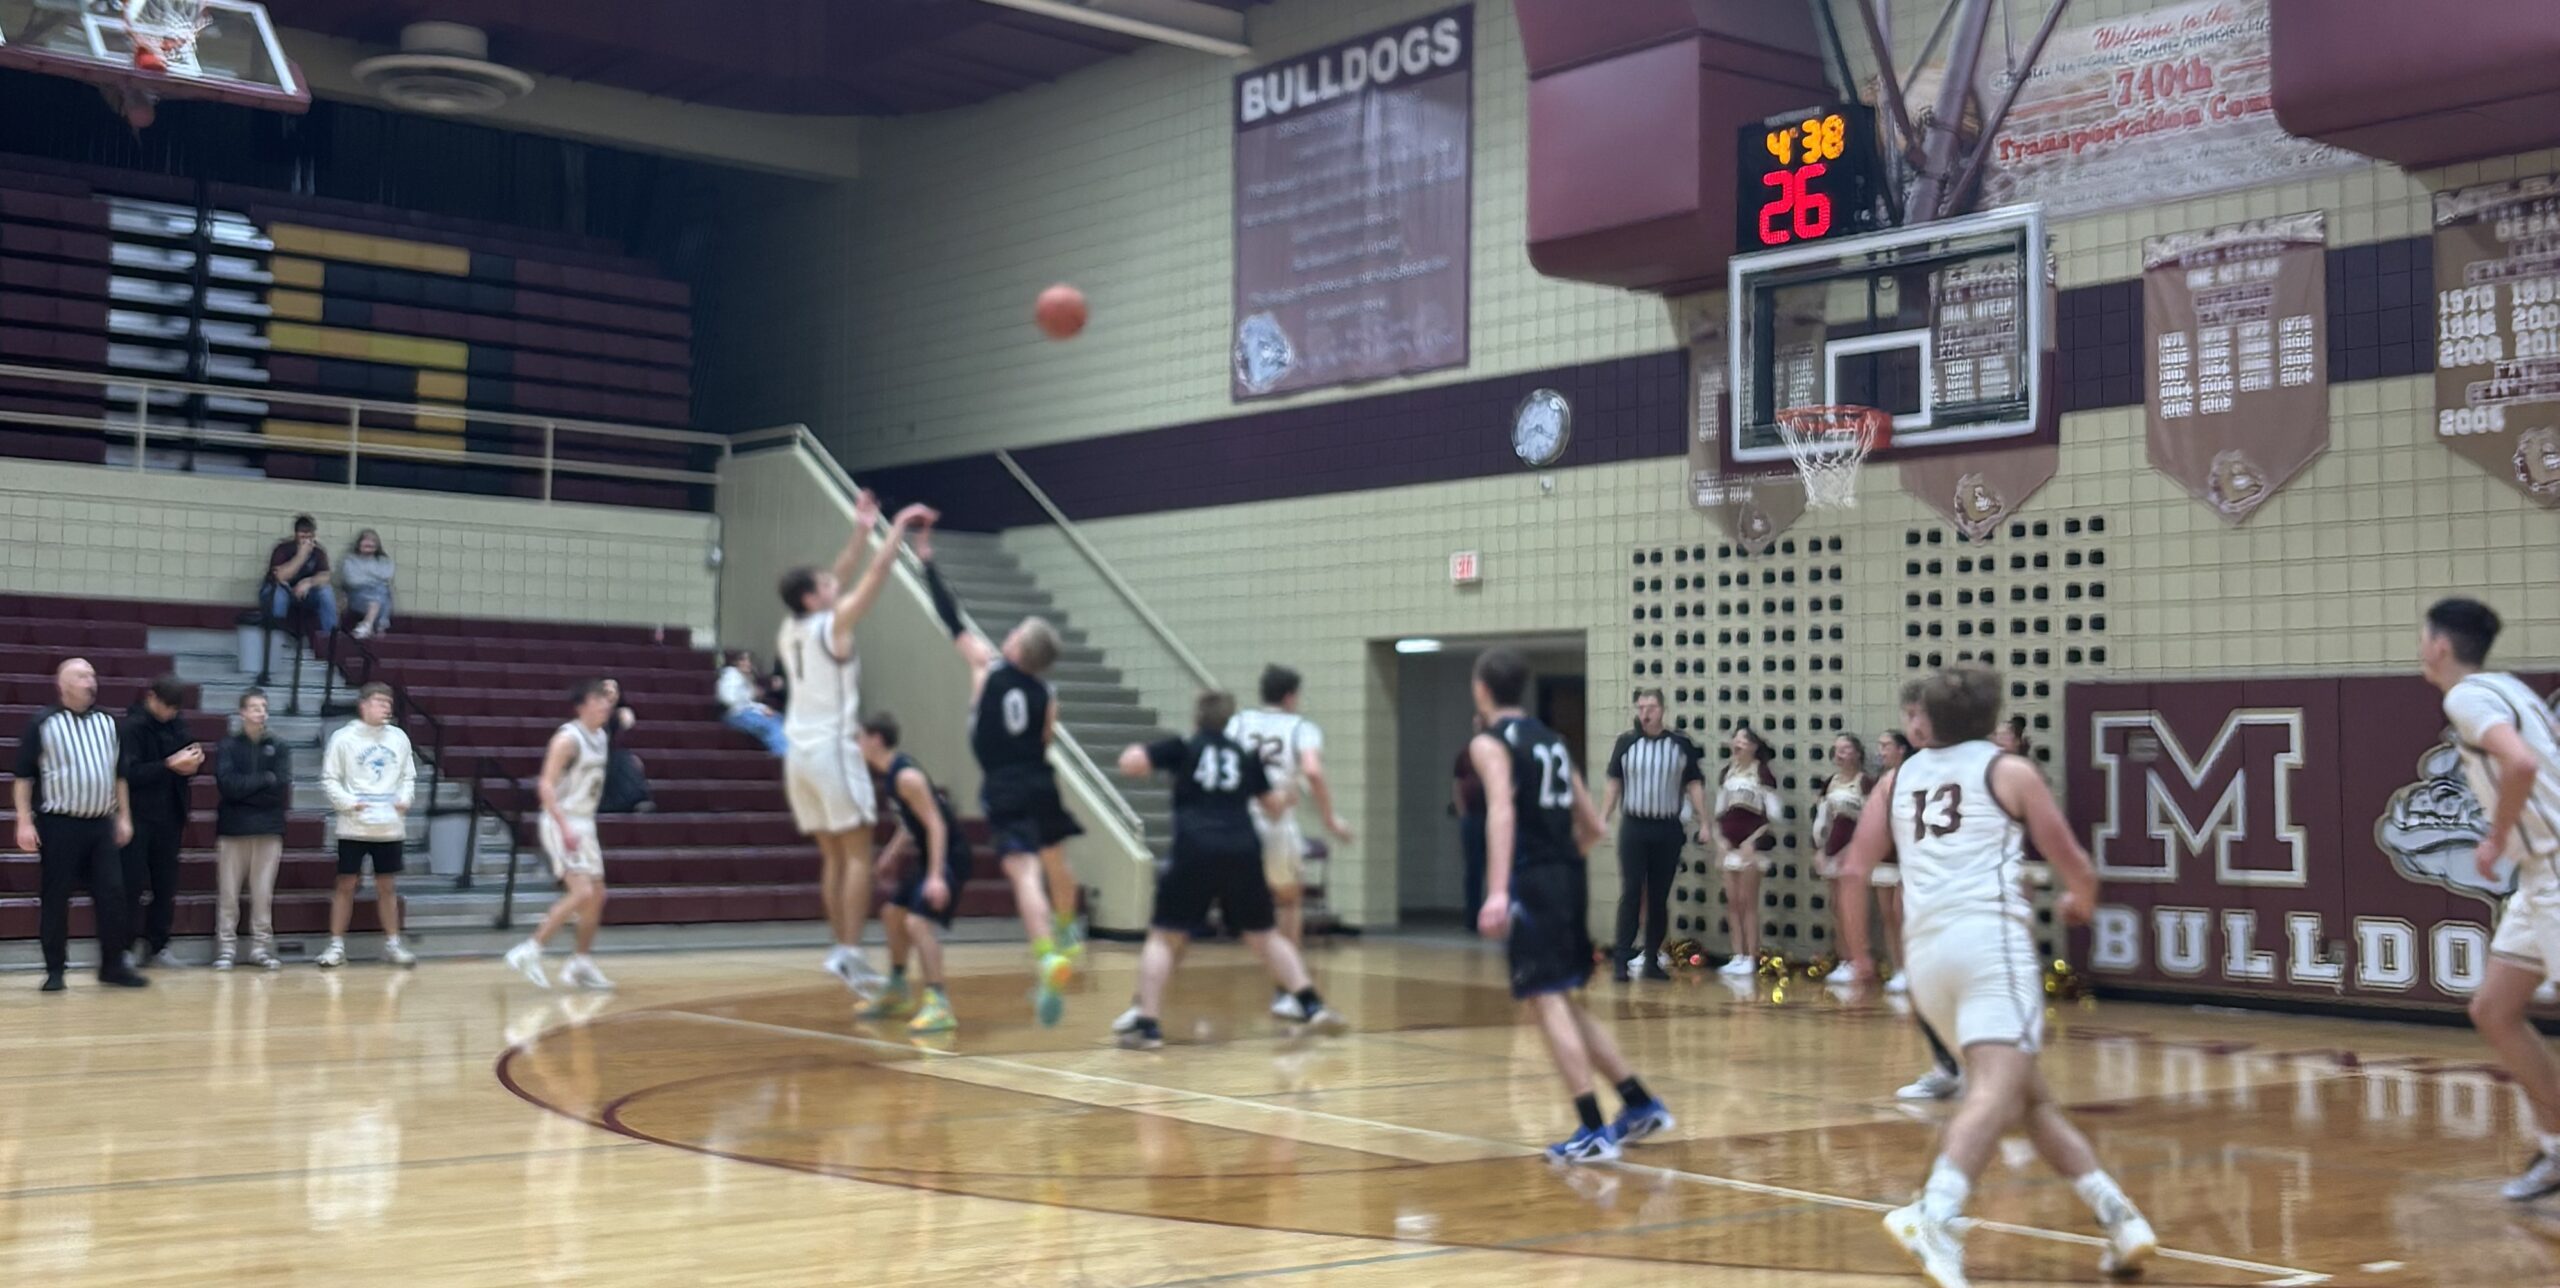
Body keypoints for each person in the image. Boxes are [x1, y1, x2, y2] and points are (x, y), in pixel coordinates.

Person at [1836, 663, 2155, 1284]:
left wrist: (1861, 958)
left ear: (1926, 718)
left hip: (1926, 960)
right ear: (1992, 716)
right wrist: (2081, 902)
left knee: (2028, 1099)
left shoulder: (1895, 780)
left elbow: (1853, 871)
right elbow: (2075, 863)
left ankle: (2120, 1220)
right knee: (1992, 1092)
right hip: (1989, 947)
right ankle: (1934, 1213)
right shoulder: (2009, 771)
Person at [1470, 647, 1673, 1163]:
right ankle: (1638, 1102)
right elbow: (1595, 826)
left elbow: (1501, 812)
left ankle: (1592, 1129)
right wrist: (1561, 863)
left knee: (1545, 999)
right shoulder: (1553, 741)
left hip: (1532, 880)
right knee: (1561, 999)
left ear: (1482, 689)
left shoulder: (1490, 743)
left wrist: (1500, 889)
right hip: (1567, 876)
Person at [2419, 597, 2560, 1201]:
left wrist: (2496, 837)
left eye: (2422, 637)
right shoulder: (2511, 688)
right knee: (2494, 1009)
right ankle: (2557, 1147)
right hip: (2539, 876)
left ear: (2439, 645)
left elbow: (2520, 763)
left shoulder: (2467, 697)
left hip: (2553, 867)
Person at [917, 521, 1082, 1026]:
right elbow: (1045, 740)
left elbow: (951, 618)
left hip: (1004, 783)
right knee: (1056, 861)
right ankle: (1068, 931)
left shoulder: (985, 666)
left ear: (1016, 649)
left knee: (1023, 873)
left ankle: (1046, 953)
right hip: (1041, 780)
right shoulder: (1047, 694)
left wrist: (927, 561)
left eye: (1013, 634)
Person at [1115, 689, 1345, 1050]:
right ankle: (1311, 1004)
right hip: (1242, 849)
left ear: (1197, 717)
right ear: (1228, 720)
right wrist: (1289, 795)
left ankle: (1147, 1024)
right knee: (1265, 935)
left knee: (1164, 935)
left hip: (1195, 847)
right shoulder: (1244, 755)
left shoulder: (1183, 747)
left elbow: (1131, 762)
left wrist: (1138, 757)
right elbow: (1272, 808)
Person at [776, 492, 929, 995]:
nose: (834, 584)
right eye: (825, 586)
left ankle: (839, 950)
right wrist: (895, 529)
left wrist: (862, 529)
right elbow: (873, 578)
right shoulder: (834, 625)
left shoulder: (791, 628)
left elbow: (839, 576)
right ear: (812, 598)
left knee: (834, 857)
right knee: (859, 853)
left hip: (798, 755)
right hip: (832, 749)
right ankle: (852, 952)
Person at [13, 659, 144, 991]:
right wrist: (24, 822)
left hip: (101, 824)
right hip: (59, 824)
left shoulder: (108, 723)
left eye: (93, 676)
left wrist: (124, 816)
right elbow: (23, 777)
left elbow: (120, 775)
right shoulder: (43, 723)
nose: (91, 682)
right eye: (83, 676)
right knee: (56, 897)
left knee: (113, 895)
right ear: (63, 684)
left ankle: (112, 966)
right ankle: (55, 969)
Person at [1226, 666, 1353, 980]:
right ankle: (1289, 980)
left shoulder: (1239, 722)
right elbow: (1313, 771)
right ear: (1290, 696)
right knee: (1288, 899)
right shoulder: (1301, 727)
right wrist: (1329, 818)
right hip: (1275, 823)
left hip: (1237, 822)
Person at [854, 713, 969, 1035]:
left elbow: (936, 825)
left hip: (951, 856)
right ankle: (897, 987)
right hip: (932, 855)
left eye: (859, 738)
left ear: (876, 740)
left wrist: (935, 876)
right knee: (892, 913)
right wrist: (890, 855)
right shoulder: (893, 775)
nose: (855, 745)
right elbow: (911, 824)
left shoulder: (906, 777)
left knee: (917, 923)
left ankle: (939, 1004)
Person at [505, 680, 618, 991]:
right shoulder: (567, 739)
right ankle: (530, 949)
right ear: (581, 706)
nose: (605, 705)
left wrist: (611, 691)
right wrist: (565, 828)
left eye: (606, 700)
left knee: (597, 897)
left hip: (585, 822)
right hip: (561, 821)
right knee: (581, 892)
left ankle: (580, 962)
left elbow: (612, 696)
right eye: (597, 700)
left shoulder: (601, 735)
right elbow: (545, 785)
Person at [1596, 689, 1710, 982]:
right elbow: (1614, 783)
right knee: (1632, 892)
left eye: (1651, 707)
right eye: (1641, 707)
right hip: (1634, 827)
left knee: (1659, 896)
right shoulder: (1626, 743)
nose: (1645, 712)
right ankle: (1622, 960)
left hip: (1667, 828)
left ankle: (1651, 960)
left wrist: (1704, 822)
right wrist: (1603, 817)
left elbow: (1694, 784)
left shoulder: (1680, 744)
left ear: (1662, 710)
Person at [319, 682, 417, 968]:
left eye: (389, 703)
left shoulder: (399, 737)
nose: (386, 707)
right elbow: (330, 779)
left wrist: (405, 798)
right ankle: (336, 945)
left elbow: (408, 776)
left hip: (388, 826)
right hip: (354, 825)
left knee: (387, 885)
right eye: (379, 702)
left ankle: (393, 944)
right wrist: (349, 803)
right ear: (363, 705)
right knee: (346, 883)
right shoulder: (343, 738)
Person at [119, 673, 200, 970]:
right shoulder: (131, 727)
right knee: (131, 885)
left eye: (175, 709)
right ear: (151, 697)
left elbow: (190, 753)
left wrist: (195, 761)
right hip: (138, 816)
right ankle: (124, 947)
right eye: (167, 707)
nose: (170, 714)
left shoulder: (178, 724)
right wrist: (169, 764)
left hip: (170, 817)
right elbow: (129, 774)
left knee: (165, 885)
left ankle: (158, 945)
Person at [212, 688, 289, 971]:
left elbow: (280, 787)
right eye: (255, 707)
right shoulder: (228, 746)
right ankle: (226, 949)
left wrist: (247, 788)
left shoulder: (279, 746)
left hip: (268, 829)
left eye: (264, 707)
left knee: (263, 895)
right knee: (228, 894)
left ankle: (260, 948)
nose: (261, 712)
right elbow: (227, 786)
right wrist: (263, 780)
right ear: (242, 712)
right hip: (233, 829)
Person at [1712, 726, 1782, 975]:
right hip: (1729, 847)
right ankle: (1737, 955)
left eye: (1743, 739)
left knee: (1747, 902)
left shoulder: (1762, 773)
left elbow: (1773, 815)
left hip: (1751, 847)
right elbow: (1719, 813)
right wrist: (1719, 840)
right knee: (1732, 903)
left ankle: (1752, 956)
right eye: (1735, 739)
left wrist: (1753, 841)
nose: (1737, 743)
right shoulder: (1727, 773)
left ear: (1753, 746)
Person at [1816, 734, 1875, 985]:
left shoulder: (1865, 782)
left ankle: (1857, 960)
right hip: (1832, 851)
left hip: (1854, 853)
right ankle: (1843, 960)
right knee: (1837, 908)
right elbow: (1822, 821)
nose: (1840, 753)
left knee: (1853, 910)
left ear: (1858, 753)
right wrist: (1819, 850)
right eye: (1837, 749)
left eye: (1846, 749)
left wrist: (1849, 851)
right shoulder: (1830, 783)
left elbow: (1870, 823)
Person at [264, 514, 337, 638]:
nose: (306, 540)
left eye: (309, 537)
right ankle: (276, 638)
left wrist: (309, 582)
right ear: (296, 534)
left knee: (326, 591)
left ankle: (330, 639)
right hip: (276, 592)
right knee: (280, 592)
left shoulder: (318, 552)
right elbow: (280, 577)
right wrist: (301, 555)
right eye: (303, 536)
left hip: (305, 594)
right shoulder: (283, 549)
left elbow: (325, 576)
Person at [596, 678, 654, 814]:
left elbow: (627, 726)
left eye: (613, 690)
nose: (609, 692)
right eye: (605, 690)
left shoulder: (623, 713)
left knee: (627, 762)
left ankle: (635, 801)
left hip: (617, 754)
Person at [718, 649, 789, 757]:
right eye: (743, 660)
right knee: (770, 724)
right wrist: (759, 707)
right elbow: (730, 700)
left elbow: (747, 701)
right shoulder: (731, 676)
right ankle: (783, 754)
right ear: (736, 662)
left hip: (747, 711)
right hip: (736, 714)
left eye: (749, 660)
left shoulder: (746, 678)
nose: (747, 663)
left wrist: (761, 706)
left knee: (778, 718)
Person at [1453, 713, 1488, 918]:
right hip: (1472, 817)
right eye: (1477, 724)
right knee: (1473, 867)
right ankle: (1472, 915)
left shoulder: (1496, 751)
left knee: (1494, 867)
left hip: (1491, 816)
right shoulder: (1465, 754)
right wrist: (1462, 811)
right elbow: (1457, 783)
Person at [341, 529, 395, 640]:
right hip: (357, 596)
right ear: (359, 543)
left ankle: (367, 625)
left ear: (377, 545)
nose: (369, 543)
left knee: (380, 592)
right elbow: (352, 580)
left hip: (378, 596)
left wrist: (365, 574)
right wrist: (374, 579)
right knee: (380, 590)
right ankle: (379, 626)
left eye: (372, 541)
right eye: (365, 540)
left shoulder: (383, 560)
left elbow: (387, 575)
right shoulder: (350, 560)